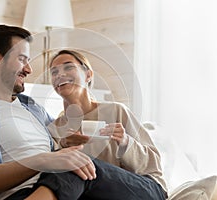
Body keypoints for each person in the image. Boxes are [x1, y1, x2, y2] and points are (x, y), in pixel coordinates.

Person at [0, 25, 166, 200]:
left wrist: (62, 152)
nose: (29, 69)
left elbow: (62, 151)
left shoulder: (33, 108)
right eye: (22, 59)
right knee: (72, 164)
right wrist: (46, 160)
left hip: (69, 189)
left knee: (74, 163)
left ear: (88, 74)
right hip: (29, 192)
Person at [47, 49, 168, 199]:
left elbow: (153, 163)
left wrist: (125, 142)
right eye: (54, 72)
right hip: (101, 193)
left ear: (88, 75)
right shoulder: (54, 129)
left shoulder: (116, 110)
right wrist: (64, 148)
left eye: (68, 67)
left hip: (147, 188)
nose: (60, 74)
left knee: (80, 163)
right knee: (73, 166)